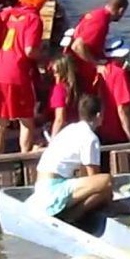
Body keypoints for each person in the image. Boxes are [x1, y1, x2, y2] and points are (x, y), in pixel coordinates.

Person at [27, 94, 113, 222]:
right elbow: (94, 177)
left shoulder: (70, 129)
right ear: (99, 115)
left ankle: (72, 215)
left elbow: (86, 177)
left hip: (42, 185)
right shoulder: (90, 138)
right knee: (107, 182)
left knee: (102, 192)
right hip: (52, 191)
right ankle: (70, 219)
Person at [0, 0, 48, 154]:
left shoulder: (9, 14)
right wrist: (45, 56)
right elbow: (29, 50)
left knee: (1, 120)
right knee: (26, 119)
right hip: (17, 73)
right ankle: (24, 155)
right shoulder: (33, 19)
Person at [67, 0, 129, 94]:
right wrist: (96, 65)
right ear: (121, 10)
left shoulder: (96, 13)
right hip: (81, 70)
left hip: (76, 65)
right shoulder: (101, 22)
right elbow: (77, 46)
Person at [48, 54, 78, 137]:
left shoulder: (60, 89)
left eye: (55, 72)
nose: (54, 75)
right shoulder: (76, 86)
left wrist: (52, 141)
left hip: (63, 133)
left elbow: (60, 119)